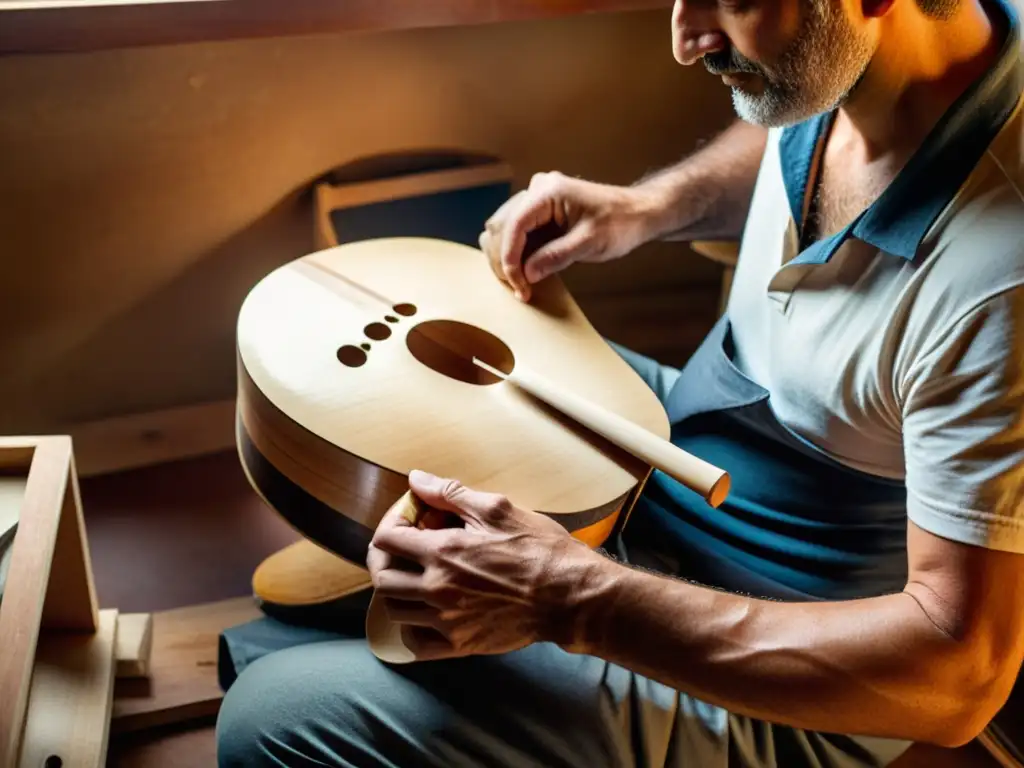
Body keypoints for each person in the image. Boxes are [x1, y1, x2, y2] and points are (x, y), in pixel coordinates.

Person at [216, 0, 1024, 763]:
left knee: (268, 721)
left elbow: (957, 677)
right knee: (404, 401)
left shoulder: (1000, 281)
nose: (685, 37)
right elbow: (800, 118)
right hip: (693, 437)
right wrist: (651, 206)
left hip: (804, 649)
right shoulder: (880, 52)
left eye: (730, 1)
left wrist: (576, 600)